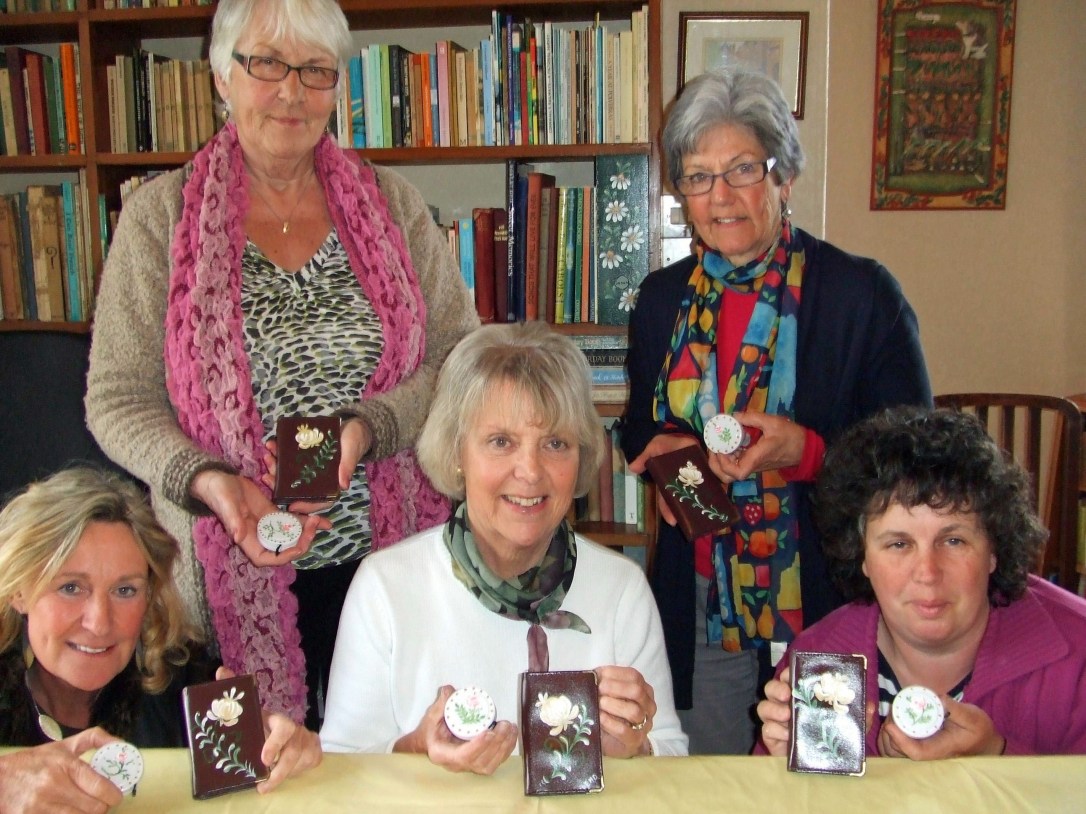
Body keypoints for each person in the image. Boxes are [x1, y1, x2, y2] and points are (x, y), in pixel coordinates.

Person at [85, 0, 480, 727]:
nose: (291, 92)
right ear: (222, 76)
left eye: (315, 70)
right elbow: (116, 398)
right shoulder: (157, 219)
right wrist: (207, 480)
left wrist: (368, 428)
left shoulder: (394, 205)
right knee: (258, 773)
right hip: (224, 570)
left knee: (388, 765)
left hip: (387, 565)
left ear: (337, 86)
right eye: (266, 64)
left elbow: (459, 356)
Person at [621, 67, 932, 754]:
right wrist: (664, 452)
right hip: (704, 586)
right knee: (712, 777)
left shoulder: (859, 295)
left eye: (742, 169)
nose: (720, 196)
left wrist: (809, 453)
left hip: (829, 589)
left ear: (783, 176)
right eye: (697, 177)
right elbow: (640, 423)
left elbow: (917, 455)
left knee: (825, 768)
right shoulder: (662, 300)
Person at [320, 322, 688, 770]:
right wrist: (415, 751)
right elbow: (341, 767)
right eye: (501, 442)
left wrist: (639, 748)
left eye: (555, 443)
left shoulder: (621, 589)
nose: (530, 471)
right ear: (457, 453)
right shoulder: (386, 586)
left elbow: (672, 758)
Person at [757, 406, 1086, 757]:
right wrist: (783, 774)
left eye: (954, 541)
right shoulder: (817, 659)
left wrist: (996, 756)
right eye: (899, 544)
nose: (927, 572)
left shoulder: (1077, 652)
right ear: (861, 556)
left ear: (994, 549)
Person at [0, 468, 321, 812]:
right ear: (19, 591)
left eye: (125, 590)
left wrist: (282, 747)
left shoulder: (180, 682)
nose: (99, 623)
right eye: (70, 588)